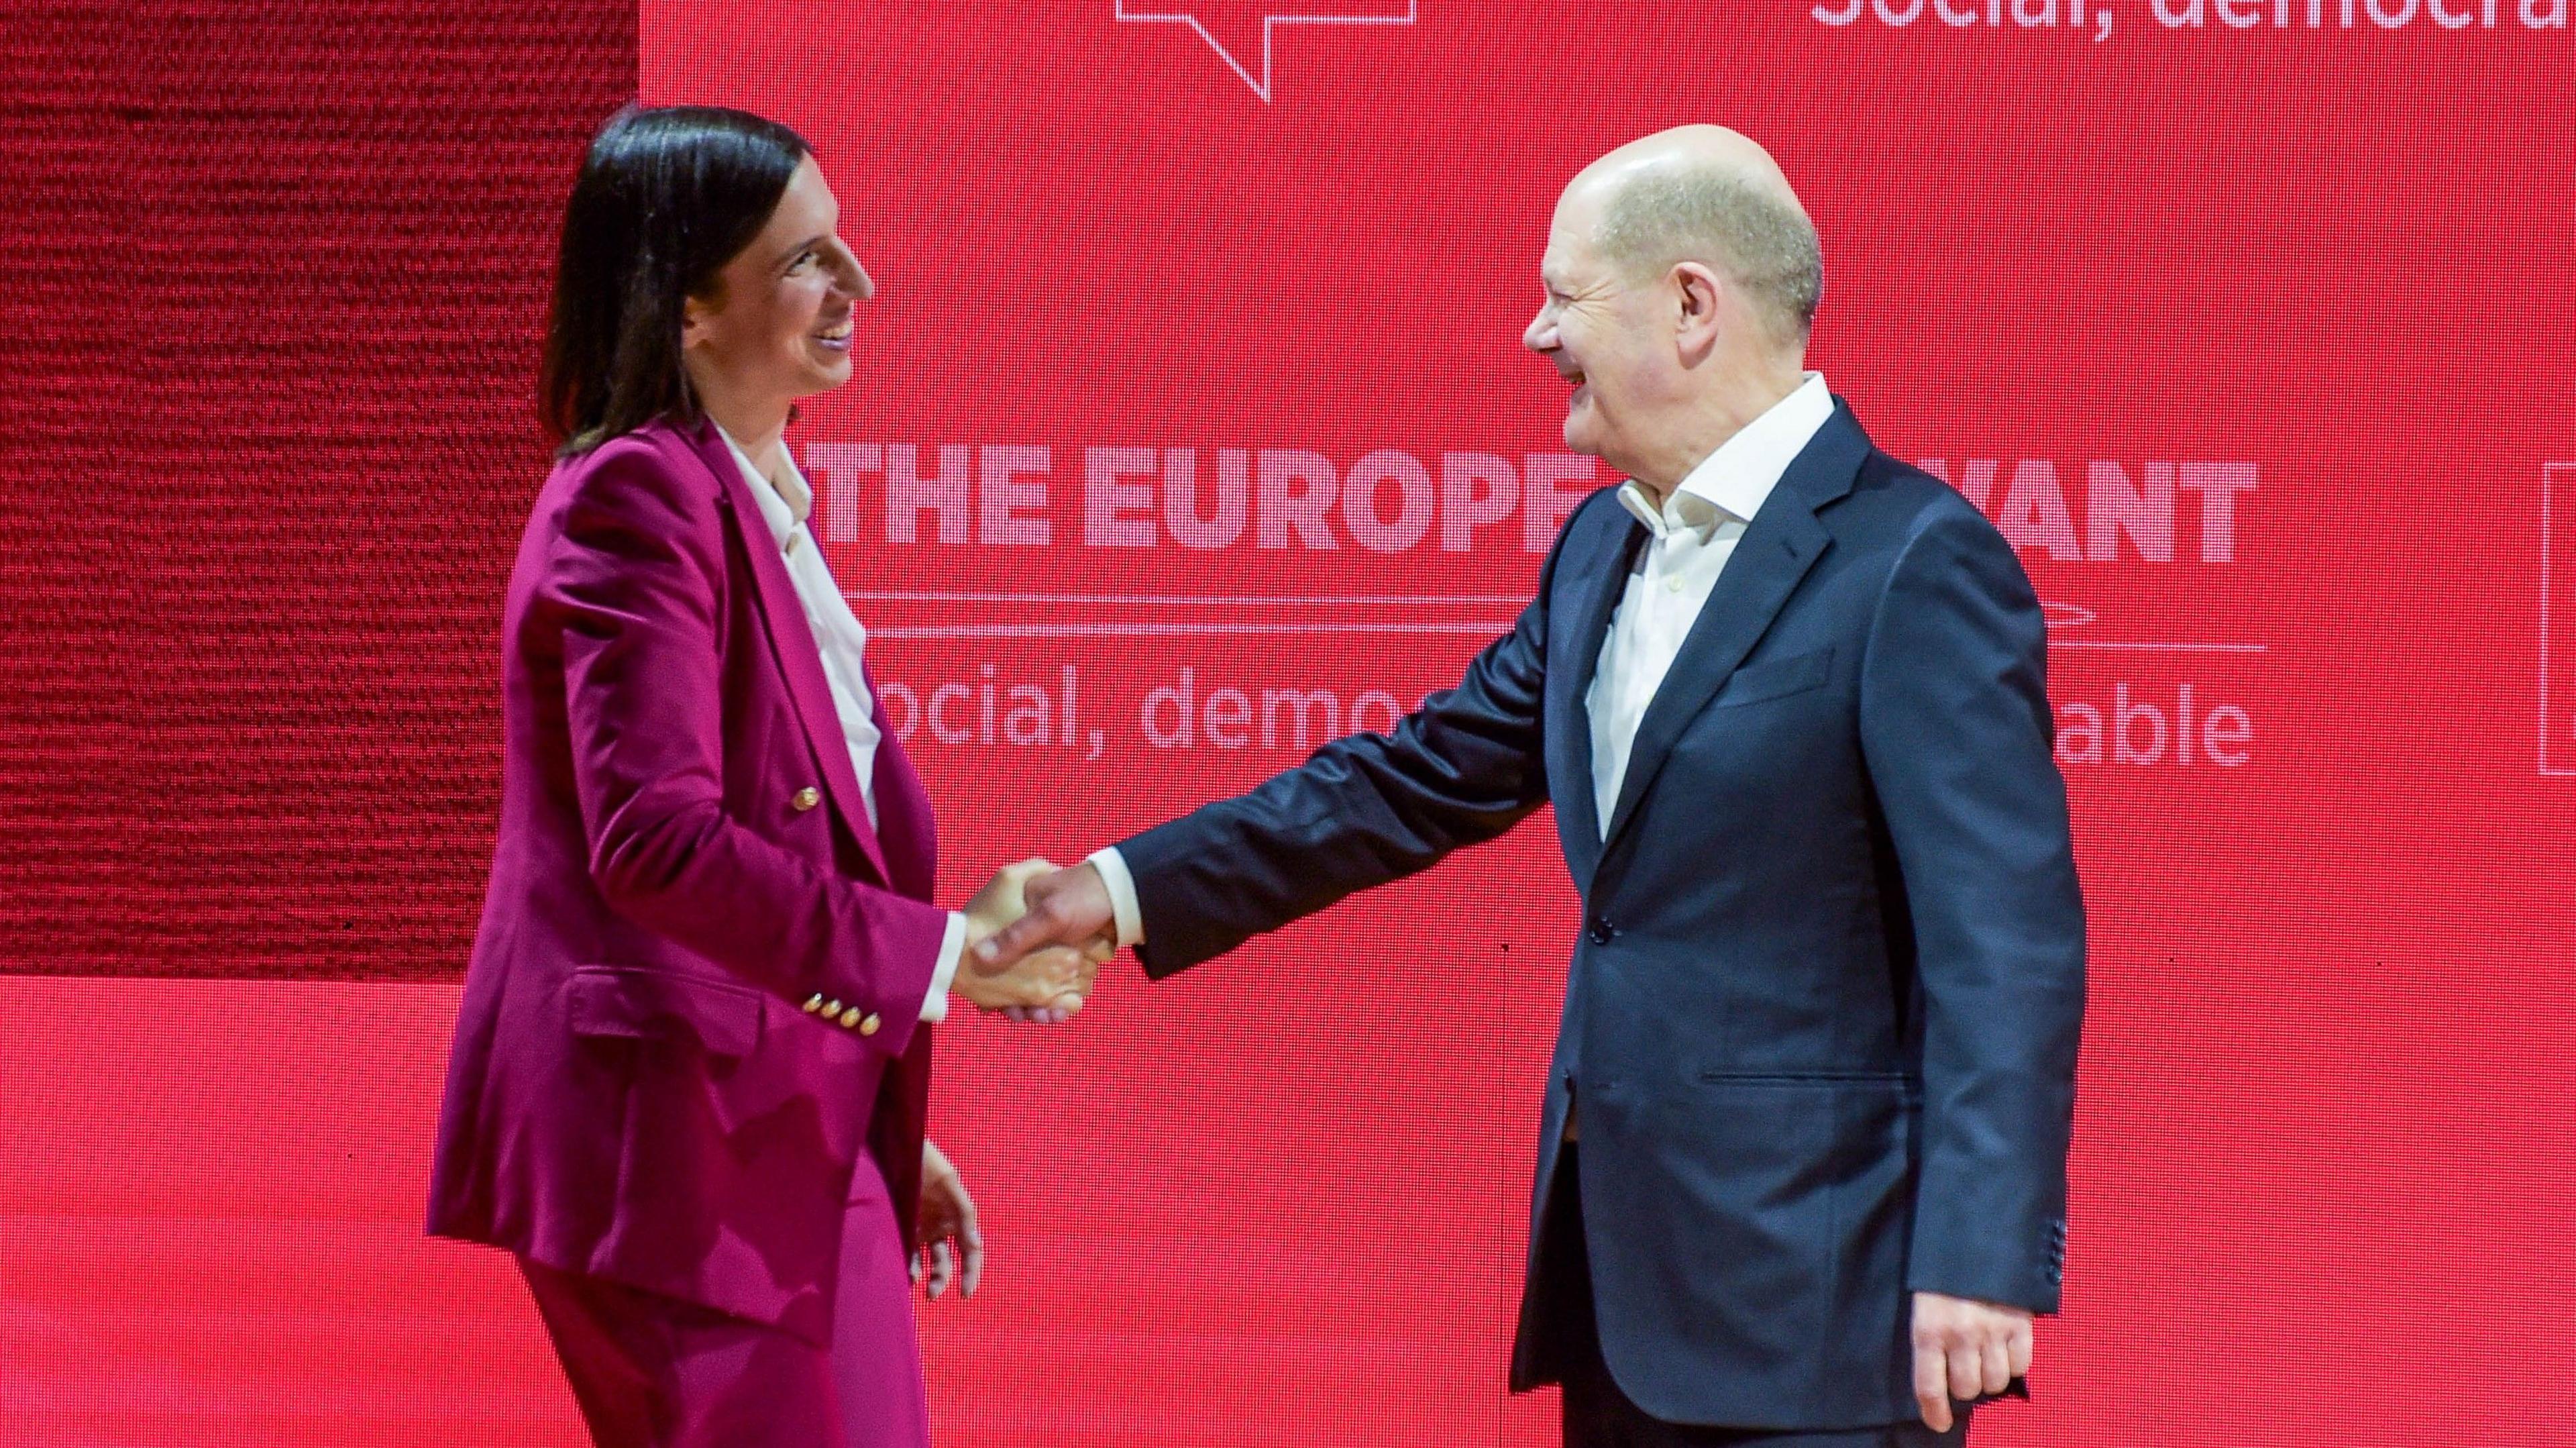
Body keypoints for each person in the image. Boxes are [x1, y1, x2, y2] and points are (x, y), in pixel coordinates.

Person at [981, 125, 2086, 1447]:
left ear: (1690, 305)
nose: (1533, 335)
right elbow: (1411, 779)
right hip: (1623, 1297)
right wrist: (1117, 890)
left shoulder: (1913, 560)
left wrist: (1982, 1250)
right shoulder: (1597, 551)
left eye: (1564, 296)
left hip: (1833, 1311)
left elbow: (2005, 938)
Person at [427, 105, 1099, 1448]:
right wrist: (950, 949)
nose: (858, 286)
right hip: (672, 1160)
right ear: (686, 306)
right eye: (807, 259)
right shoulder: (639, 496)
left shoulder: (749, 493)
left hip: (776, 1128)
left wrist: (872, 1133)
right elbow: (656, 843)